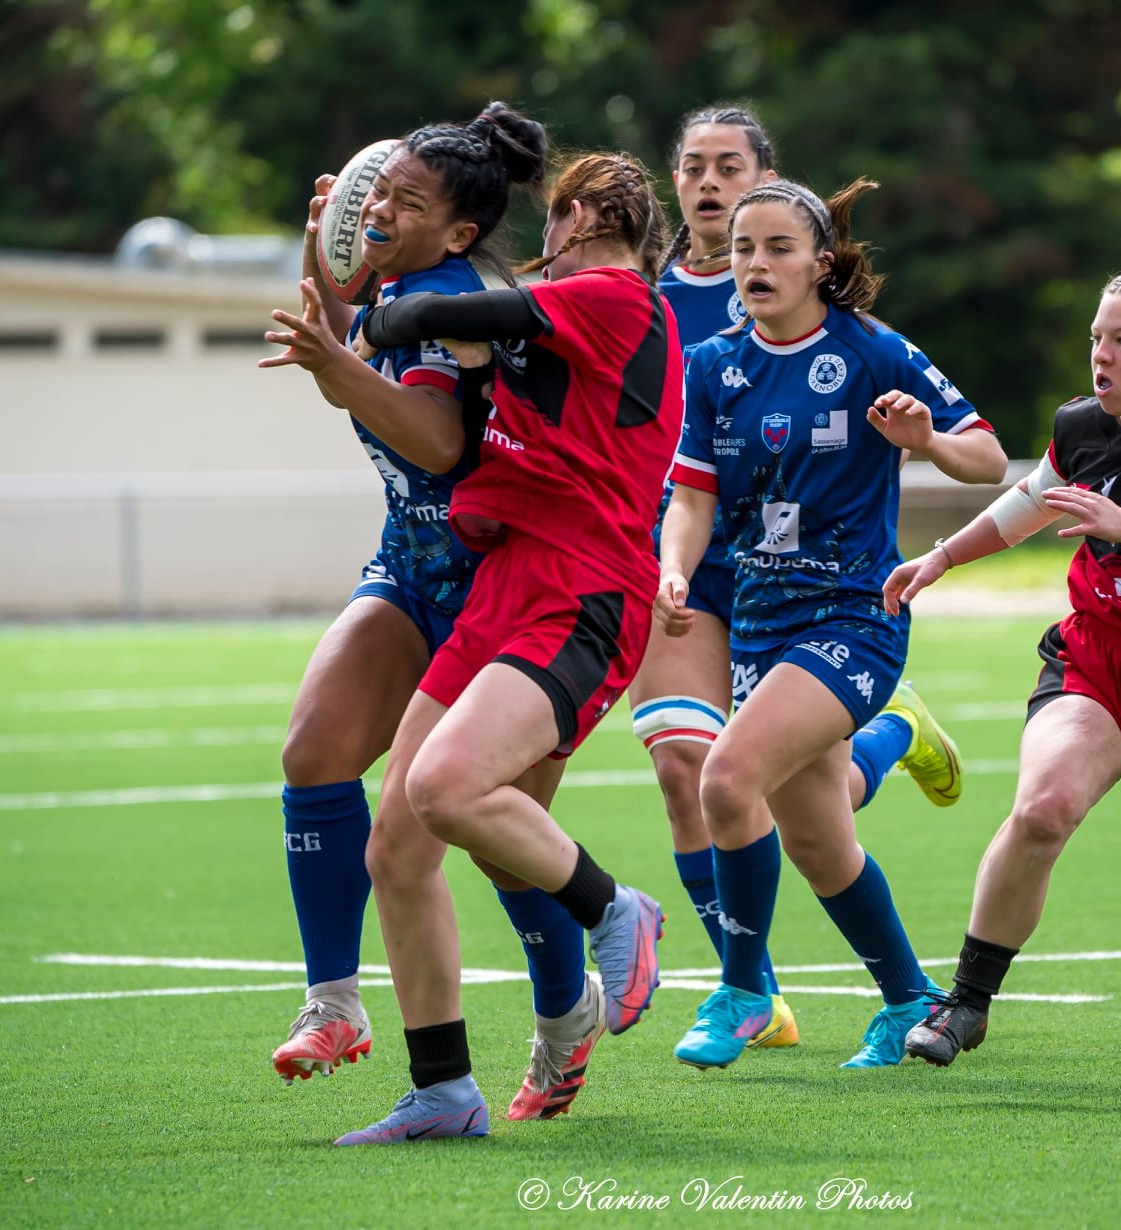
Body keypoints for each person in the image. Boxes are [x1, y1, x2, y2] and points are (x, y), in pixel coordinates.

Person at [330, 151, 684, 1143]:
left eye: (552, 222)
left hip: (581, 584)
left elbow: (458, 314)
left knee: (445, 789)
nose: (541, 245)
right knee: (397, 845)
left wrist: (384, 317)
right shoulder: (562, 314)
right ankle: (444, 1090)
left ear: (582, 218)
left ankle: (617, 910)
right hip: (507, 577)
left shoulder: (617, 297)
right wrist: (357, 275)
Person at [258, 105, 580, 1108]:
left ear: (459, 233)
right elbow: (340, 367)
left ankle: (565, 1015)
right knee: (315, 751)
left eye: (407, 199)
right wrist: (322, 250)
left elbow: (438, 440)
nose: (382, 209)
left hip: (507, 589)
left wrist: (337, 356)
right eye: (379, 191)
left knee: (500, 843)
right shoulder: (396, 285)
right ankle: (333, 1002)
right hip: (410, 567)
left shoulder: (451, 304)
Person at [634, 108, 969, 1053]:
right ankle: (908, 1000)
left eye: (779, 247)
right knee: (818, 837)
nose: (757, 262)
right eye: (746, 249)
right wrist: (673, 568)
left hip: (856, 617)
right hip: (759, 623)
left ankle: (742, 990)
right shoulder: (712, 366)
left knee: (725, 775)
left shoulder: (871, 350)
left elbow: (985, 456)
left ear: (821, 261)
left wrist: (926, 440)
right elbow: (691, 496)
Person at [886, 266, 1121, 1085]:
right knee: (1043, 810)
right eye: (1097, 337)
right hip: (1097, 657)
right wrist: (942, 557)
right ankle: (965, 1003)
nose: (1101, 354)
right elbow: (1031, 499)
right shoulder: (1081, 425)